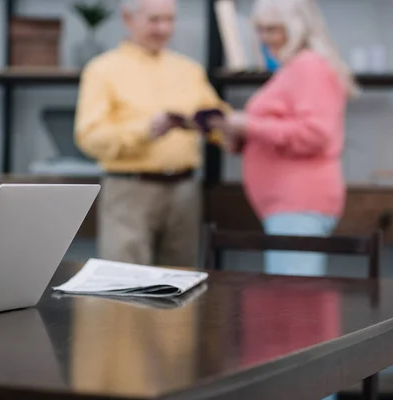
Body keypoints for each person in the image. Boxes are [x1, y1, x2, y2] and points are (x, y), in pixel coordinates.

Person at [210, 0, 358, 277]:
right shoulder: (292, 68)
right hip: (288, 206)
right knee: (290, 298)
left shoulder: (308, 66)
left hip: (299, 203)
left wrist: (248, 123)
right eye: (260, 30)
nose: (265, 39)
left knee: (293, 300)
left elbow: (315, 134)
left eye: (273, 30)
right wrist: (239, 134)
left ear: (296, 28)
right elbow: (282, 127)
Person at [74, 0, 227, 267]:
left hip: (185, 191)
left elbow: (217, 121)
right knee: (124, 282)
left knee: (181, 283)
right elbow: (89, 136)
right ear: (128, 18)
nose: (164, 28)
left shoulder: (189, 70)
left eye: (170, 20)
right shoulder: (102, 70)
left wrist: (225, 125)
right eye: (154, 20)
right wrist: (144, 131)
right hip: (130, 190)